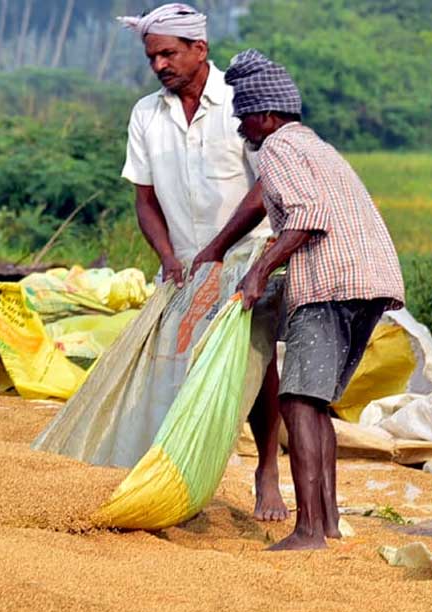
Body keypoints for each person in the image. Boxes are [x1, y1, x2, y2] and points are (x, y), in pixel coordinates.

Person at [220, 50, 406, 550]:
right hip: (370, 280)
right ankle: (325, 521)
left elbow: (305, 216)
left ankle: (306, 531)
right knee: (315, 403)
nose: (242, 129)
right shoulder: (317, 147)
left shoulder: (277, 148)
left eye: (244, 118)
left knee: (298, 400)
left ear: (266, 115)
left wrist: (258, 273)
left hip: (330, 282)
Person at [118, 3, 287, 522]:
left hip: (246, 254)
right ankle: (178, 470)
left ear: (200, 50)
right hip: (187, 265)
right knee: (174, 360)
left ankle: (266, 472)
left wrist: (219, 249)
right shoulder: (147, 113)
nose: (160, 66)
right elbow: (145, 199)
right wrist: (169, 258)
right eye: (152, 57)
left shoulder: (241, 101)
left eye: (168, 54)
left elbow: (265, 186)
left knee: (254, 364)